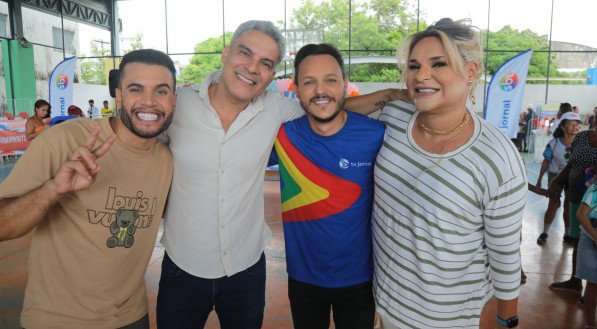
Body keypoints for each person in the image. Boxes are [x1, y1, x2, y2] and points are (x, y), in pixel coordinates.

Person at [156, 20, 401, 329]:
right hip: (183, 266)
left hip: (247, 269)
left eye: (266, 63)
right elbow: (145, 145)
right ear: (225, 53)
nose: (252, 67)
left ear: (272, 75)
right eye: (245, 53)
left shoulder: (278, 111)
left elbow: (327, 106)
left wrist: (392, 94)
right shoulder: (180, 104)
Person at [0, 48, 177, 328]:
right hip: (58, 320)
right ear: (118, 95)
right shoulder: (65, 141)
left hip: (132, 316)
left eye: (161, 91)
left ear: (174, 100)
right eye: (136, 89)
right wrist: (52, 190)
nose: (149, 102)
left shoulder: (165, 160)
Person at [371, 18, 526, 328]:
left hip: (444, 318)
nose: (421, 75)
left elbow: (505, 256)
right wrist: (390, 93)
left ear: (470, 71)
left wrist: (506, 321)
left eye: (438, 64)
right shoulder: (394, 117)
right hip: (381, 304)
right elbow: (326, 111)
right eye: (413, 66)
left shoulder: (497, 159)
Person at [270, 44, 384, 329]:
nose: (320, 90)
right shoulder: (281, 135)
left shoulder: (376, 135)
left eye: (330, 80)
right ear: (297, 89)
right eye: (309, 82)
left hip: (361, 279)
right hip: (303, 278)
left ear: (344, 85)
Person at [548, 115, 597, 297]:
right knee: (578, 239)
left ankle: (592, 290)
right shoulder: (583, 137)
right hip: (577, 195)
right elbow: (571, 165)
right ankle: (576, 281)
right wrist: (556, 180)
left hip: (595, 200)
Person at [534, 112, 583, 244]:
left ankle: (567, 234)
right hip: (555, 177)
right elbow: (546, 161)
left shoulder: (581, 144)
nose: (575, 127)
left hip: (573, 178)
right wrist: (539, 179)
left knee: (568, 206)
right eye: (571, 124)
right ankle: (544, 233)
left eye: (577, 124)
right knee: (553, 204)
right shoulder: (554, 143)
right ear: (562, 127)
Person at [576, 174, 597, 329]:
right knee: (593, 281)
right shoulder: (594, 191)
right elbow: (581, 214)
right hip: (591, 235)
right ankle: (590, 323)